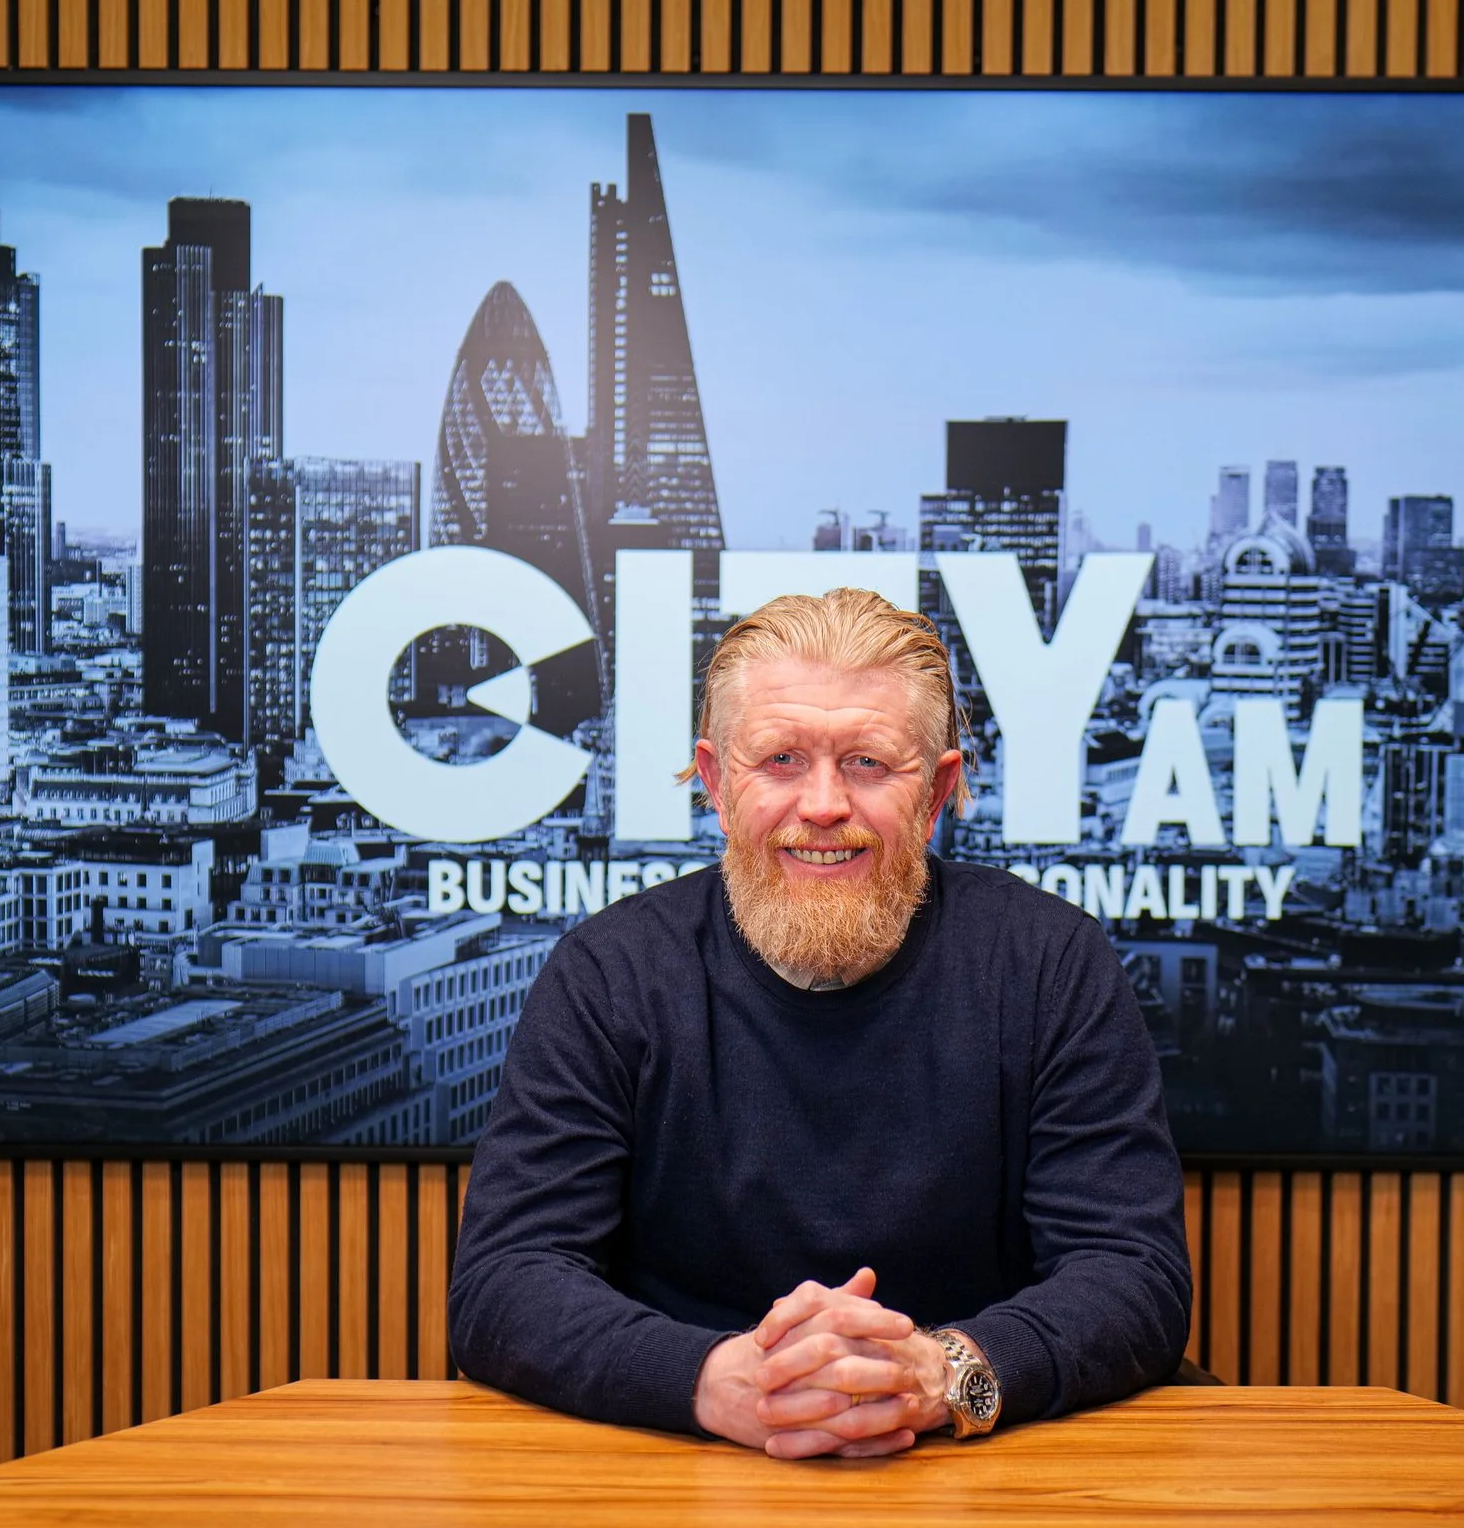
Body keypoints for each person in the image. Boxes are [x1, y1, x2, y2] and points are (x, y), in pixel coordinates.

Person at [449, 587, 1191, 1460]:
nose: (825, 804)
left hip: (991, 1477)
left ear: (939, 791)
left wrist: (944, 1374)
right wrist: (714, 1379)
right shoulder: (608, 974)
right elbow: (506, 1279)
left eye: (871, 763)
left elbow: (1131, 1272)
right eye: (783, 760)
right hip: (676, 1479)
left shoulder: (1051, 963)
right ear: (719, 783)